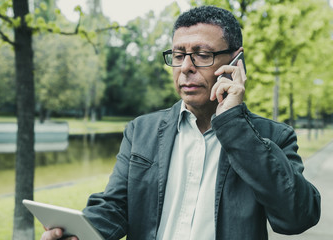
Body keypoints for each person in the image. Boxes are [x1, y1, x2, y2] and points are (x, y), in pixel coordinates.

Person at [41, 5, 321, 240]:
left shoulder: (273, 136)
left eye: (202, 54)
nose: (186, 66)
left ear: (236, 62)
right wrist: (82, 231)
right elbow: (116, 207)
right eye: (178, 55)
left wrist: (235, 126)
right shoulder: (141, 130)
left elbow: (297, 217)